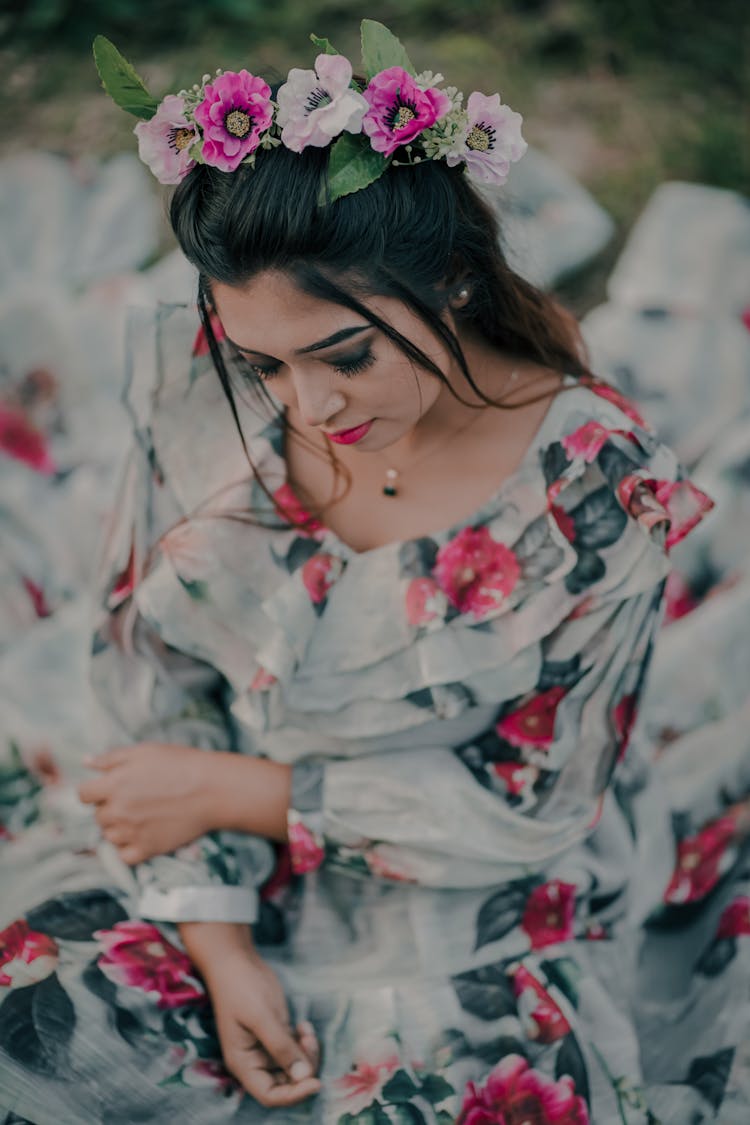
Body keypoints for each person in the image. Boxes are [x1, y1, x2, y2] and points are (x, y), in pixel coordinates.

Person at [1, 21, 746, 1125]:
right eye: (268, 364)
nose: (311, 408)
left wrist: (249, 793)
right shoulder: (200, 373)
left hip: (461, 884)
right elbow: (155, 678)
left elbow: (530, 804)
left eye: (346, 354)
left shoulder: (595, 482)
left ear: (448, 282)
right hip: (188, 842)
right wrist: (216, 935)